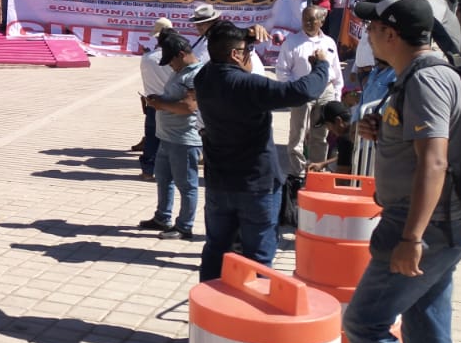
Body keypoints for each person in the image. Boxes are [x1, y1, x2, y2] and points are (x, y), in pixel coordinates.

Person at [343, 0, 461, 343]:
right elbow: (421, 144)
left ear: (391, 34)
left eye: (373, 28)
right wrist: (385, 131)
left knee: (365, 324)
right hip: (437, 225)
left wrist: (412, 237)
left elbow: (434, 161)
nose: (367, 34)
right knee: (428, 341)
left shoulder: (427, 79)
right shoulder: (414, 77)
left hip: (424, 227)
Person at [192, 22, 330, 281]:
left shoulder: (204, 78)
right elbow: (303, 91)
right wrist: (321, 65)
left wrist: (245, 36)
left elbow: (223, 45)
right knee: (259, 258)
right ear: (235, 54)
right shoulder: (247, 85)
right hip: (256, 186)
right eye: (248, 51)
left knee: (216, 250)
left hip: (219, 184)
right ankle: (254, 306)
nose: (250, 55)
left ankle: (206, 304)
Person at [140, 32, 203, 240]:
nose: (170, 66)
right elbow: (174, 99)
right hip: (167, 137)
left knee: (186, 185)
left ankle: (184, 226)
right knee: (164, 179)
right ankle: (162, 217)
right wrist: (159, 99)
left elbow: (189, 107)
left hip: (184, 140)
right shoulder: (181, 71)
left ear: (181, 54)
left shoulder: (195, 75)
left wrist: (160, 104)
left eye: (171, 61)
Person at [277, 6, 345, 184]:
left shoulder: (329, 42)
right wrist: (295, 89)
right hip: (302, 91)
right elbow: (282, 71)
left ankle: (316, 172)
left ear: (321, 22)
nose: (307, 23)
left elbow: (336, 71)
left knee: (320, 135)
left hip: (325, 91)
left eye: (311, 20)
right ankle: (297, 173)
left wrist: (336, 94)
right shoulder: (292, 42)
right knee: (298, 134)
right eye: (304, 19)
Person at [135, 18, 176, 180]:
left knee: (151, 139)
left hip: (153, 103)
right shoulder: (176, 58)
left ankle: (147, 170)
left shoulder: (147, 58)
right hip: (173, 103)